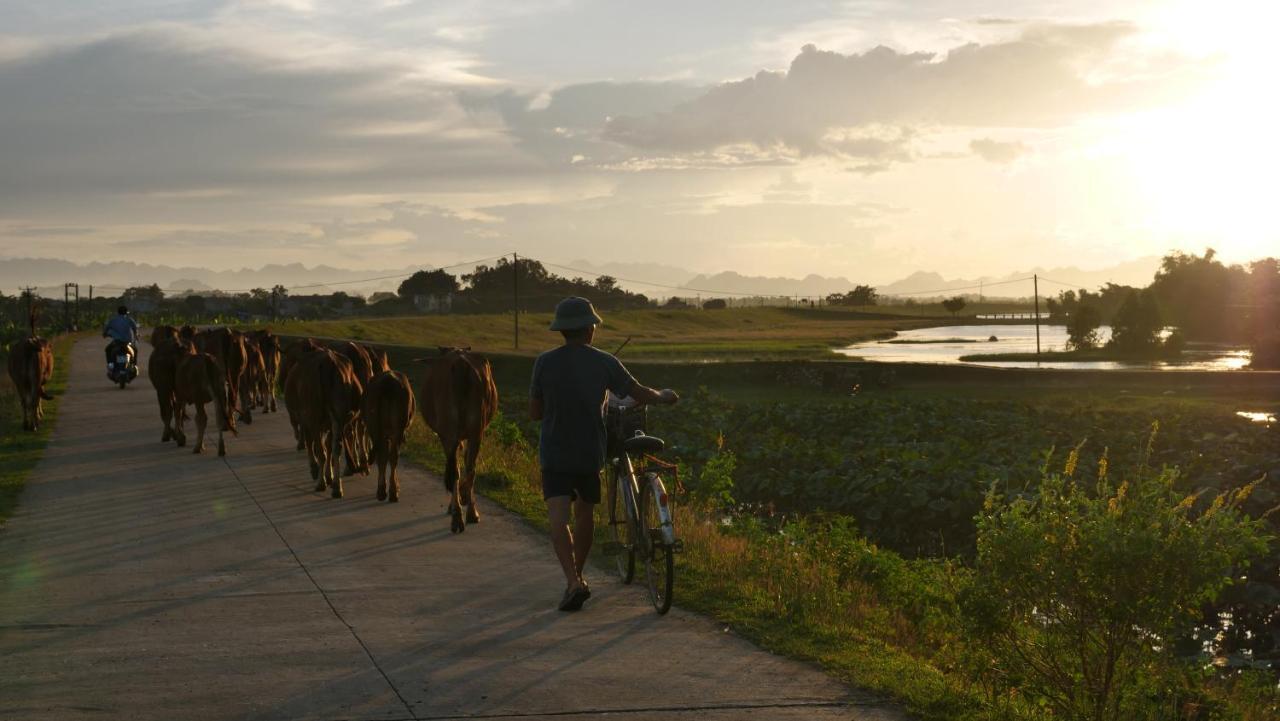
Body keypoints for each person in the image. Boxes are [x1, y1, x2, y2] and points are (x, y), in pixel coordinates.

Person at [529, 296, 678, 612]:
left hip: (554, 452)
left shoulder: (543, 362)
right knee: (584, 513)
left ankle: (572, 581)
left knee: (558, 519)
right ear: (590, 330)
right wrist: (663, 396)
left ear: (562, 331)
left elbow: (535, 412)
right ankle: (580, 574)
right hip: (589, 452)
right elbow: (638, 393)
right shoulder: (605, 361)